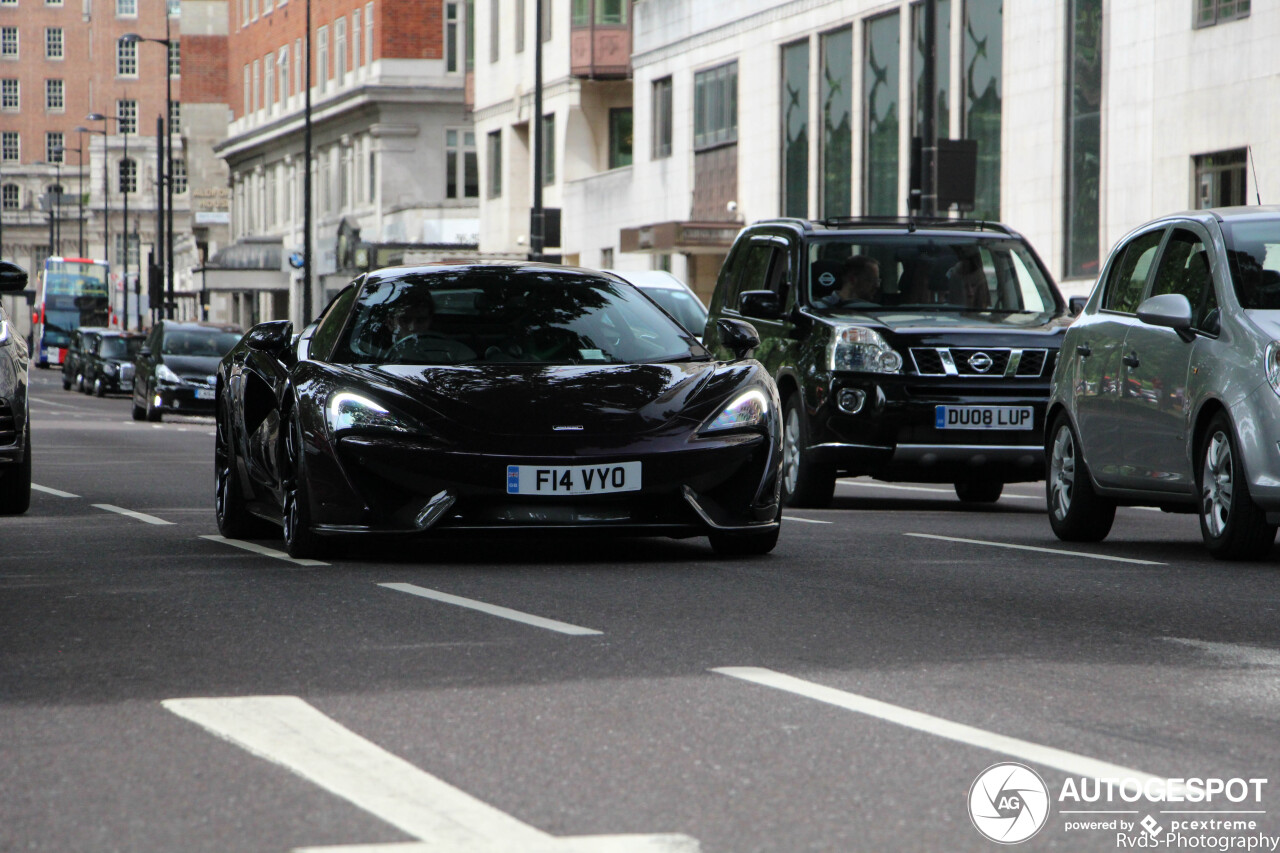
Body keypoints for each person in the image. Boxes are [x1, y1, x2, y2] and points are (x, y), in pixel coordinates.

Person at [386, 294, 475, 363]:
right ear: (391, 323)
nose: (413, 327)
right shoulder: (377, 355)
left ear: (430, 321)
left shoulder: (454, 352)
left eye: (421, 320)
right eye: (404, 320)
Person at [815, 254, 881, 309]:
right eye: (872, 280)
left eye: (878, 281)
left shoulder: (878, 310)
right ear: (852, 280)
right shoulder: (820, 308)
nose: (877, 285)